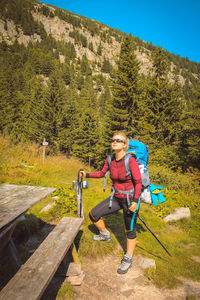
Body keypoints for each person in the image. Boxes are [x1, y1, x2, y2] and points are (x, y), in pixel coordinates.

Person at [80, 131, 142, 274]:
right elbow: (102, 173)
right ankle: (105, 235)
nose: (114, 141)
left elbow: (138, 183)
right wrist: (87, 175)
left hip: (129, 200)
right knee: (93, 214)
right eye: (113, 139)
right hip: (116, 197)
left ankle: (128, 258)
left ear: (125, 145)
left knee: (130, 230)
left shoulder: (130, 160)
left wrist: (135, 201)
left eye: (118, 140)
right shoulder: (110, 159)